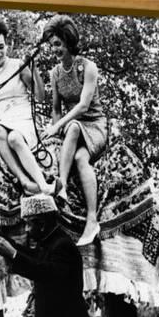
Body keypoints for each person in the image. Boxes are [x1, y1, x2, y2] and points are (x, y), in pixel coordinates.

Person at [43, 15, 108, 246]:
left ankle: (64, 188)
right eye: (52, 45)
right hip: (72, 128)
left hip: (94, 125)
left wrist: (58, 127)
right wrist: (55, 132)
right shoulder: (55, 73)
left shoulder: (88, 67)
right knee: (77, 155)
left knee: (76, 141)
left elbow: (83, 106)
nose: (55, 50)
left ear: (69, 42)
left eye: (58, 44)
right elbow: (56, 109)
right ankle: (88, 217)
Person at [0, 15, 55, 196]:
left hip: (25, 117)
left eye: (1, 47)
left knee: (14, 138)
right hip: (3, 120)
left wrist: (33, 69)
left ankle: (43, 185)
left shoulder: (18, 65)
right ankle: (25, 181)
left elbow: (40, 96)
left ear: (7, 45)